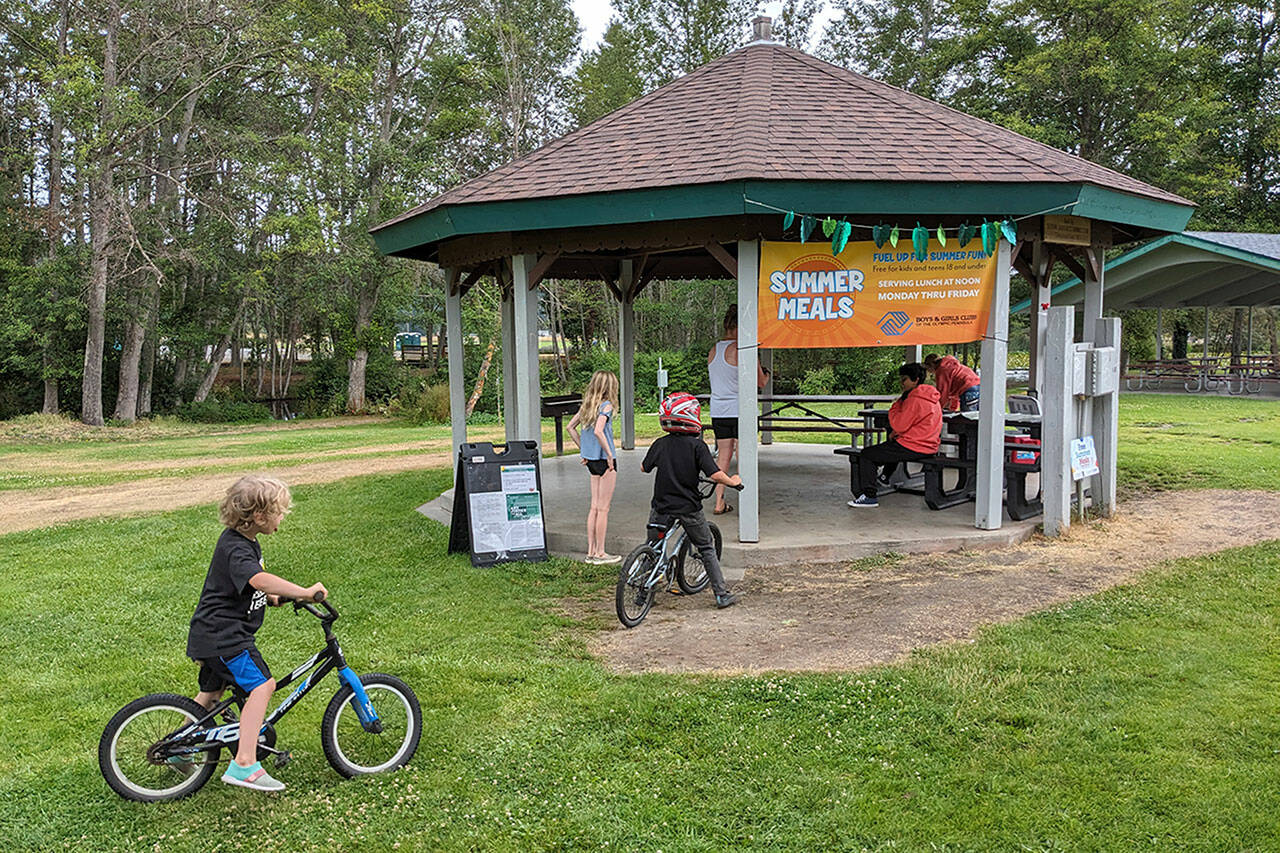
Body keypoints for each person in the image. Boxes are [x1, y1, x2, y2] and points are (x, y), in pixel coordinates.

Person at [186, 475, 327, 792]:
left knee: (210, 696)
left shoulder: (243, 542)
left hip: (212, 633)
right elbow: (258, 580)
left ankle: (183, 752)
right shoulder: (236, 548)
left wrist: (275, 598)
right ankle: (245, 764)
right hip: (226, 637)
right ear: (259, 517)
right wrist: (304, 592)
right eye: (279, 512)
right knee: (263, 685)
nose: (283, 518)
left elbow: (247, 586)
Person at [642, 392, 743, 608]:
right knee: (706, 546)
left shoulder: (660, 444)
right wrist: (733, 481)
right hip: (688, 507)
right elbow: (715, 474)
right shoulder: (697, 447)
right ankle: (721, 594)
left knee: (653, 546)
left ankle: (643, 592)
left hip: (660, 506)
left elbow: (644, 467)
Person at [848, 363, 942, 508]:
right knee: (892, 444)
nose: (901, 383)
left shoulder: (914, 400)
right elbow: (914, 424)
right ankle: (884, 477)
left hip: (914, 446)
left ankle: (869, 496)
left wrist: (895, 407)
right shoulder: (931, 398)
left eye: (904, 379)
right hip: (929, 445)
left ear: (915, 380)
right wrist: (896, 432)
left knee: (867, 455)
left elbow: (899, 424)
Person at [707, 304, 769, 515]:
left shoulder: (714, 350)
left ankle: (718, 502)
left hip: (718, 410)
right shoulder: (743, 348)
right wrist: (767, 375)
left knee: (723, 458)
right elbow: (760, 382)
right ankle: (747, 503)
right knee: (744, 457)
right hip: (740, 410)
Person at [568, 370, 621, 565]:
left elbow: (570, 428)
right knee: (603, 509)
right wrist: (608, 454)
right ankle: (600, 553)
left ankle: (590, 551)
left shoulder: (587, 406)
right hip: (605, 461)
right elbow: (599, 431)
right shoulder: (606, 406)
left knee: (594, 506)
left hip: (591, 461)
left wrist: (584, 451)